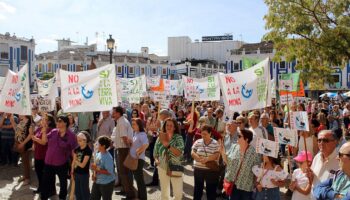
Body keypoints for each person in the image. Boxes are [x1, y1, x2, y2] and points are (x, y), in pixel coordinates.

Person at [40, 115, 78, 200]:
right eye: (57, 121)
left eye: (60, 121)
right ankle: (43, 197)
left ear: (65, 122)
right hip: (48, 162)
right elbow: (44, 141)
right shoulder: (53, 131)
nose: (57, 123)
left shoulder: (71, 135)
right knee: (45, 182)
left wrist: (74, 164)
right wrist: (44, 131)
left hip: (61, 163)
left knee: (63, 183)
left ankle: (62, 198)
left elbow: (74, 150)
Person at [220, 129, 261, 200]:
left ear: (247, 139)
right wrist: (222, 152)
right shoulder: (234, 147)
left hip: (246, 187)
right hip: (233, 184)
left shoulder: (255, 153)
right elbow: (227, 162)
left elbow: (257, 171)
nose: (237, 137)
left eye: (239, 136)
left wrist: (257, 183)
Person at [154, 118, 184, 200]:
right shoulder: (160, 136)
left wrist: (168, 146)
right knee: (164, 192)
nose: (169, 127)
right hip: (162, 166)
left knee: (178, 194)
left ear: (175, 127)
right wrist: (156, 160)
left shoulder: (178, 137)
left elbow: (179, 152)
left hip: (175, 166)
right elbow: (155, 152)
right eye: (167, 125)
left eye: (171, 125)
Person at [111, 106, 135, 199]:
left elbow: (124, 138)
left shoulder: (121, 122)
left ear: (118, 113)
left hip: (123, 149)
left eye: (113, 112)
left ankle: (129, 194)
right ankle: (125, 190)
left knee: (124, 172)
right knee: (122, 172)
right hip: (121, 149)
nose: (112, 114)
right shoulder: (121, 121)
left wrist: (128, 150)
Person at [191, 125, 220, 200]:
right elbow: (192, 151)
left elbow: (217, 155)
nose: (203, 135)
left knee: (211, 192)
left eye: (205, 134)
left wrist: (207, 159)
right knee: (197, 190)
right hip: (198, 169)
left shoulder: (215, 143)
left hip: (211, 170)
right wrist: (196, 157)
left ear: (210, 134)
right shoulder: (198, 141)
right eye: (202, 133)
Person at [31, 113, 55, 194]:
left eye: (44, 119)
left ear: (49, 122)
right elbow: (34, 138)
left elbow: (44, 142)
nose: (42, 120)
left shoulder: (50, 130)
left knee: (47, 175)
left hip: (46, 156)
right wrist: (33, 142)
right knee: (39, 173)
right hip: (38, 155)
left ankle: (50, 190)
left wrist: (35, 139)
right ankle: (41, 187)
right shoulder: (39, 128)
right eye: (42, 118)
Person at [310, 130, 340, 194]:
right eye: (319, 140)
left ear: (335, 142)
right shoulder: (317, 157)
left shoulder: (341, 160)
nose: (321, 143)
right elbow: (313, 178)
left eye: (325, 140)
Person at [90, 136, 116, 200]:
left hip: (107, 183)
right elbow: (96, 166)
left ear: (103, 146)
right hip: (97, 181)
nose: (96, 145)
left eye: (98, 144)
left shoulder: (108, 157)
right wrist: (94, 174)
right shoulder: (98, 154)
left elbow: (109, 172)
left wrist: (97, 169)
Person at [130, 118, 149, 200]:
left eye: (134, 124)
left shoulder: (142, 134)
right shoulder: (136, 133)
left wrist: (139, 151)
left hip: (138, 160)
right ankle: (140, 197)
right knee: (138, 179)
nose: (132, 125)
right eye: (132, 124)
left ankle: (143, 198)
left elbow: (146, 144)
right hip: (134, 159)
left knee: (139, 180)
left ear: (139, 125)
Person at [71, 131, 92, 200]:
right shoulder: (77, 149)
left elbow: (83, 165)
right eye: (77, 140)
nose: (78, 142)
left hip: (84, 175)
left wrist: (75, 160)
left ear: (85, 140)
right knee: (77, 192)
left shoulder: (88, 151)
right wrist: (72, 171)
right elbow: (73, 163)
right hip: (76, 173)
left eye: (80, 140)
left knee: (84, 192)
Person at [14, 115, 34, 186]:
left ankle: (27, 178)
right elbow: (16, 129)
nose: (19, 114)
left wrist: (23, 143)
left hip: (26, 145)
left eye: (20, 113)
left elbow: (30, 135)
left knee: (26, 162)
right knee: (23, 161)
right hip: (20, 143)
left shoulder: (30, 123)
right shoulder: (21, 121)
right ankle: (25, 176)